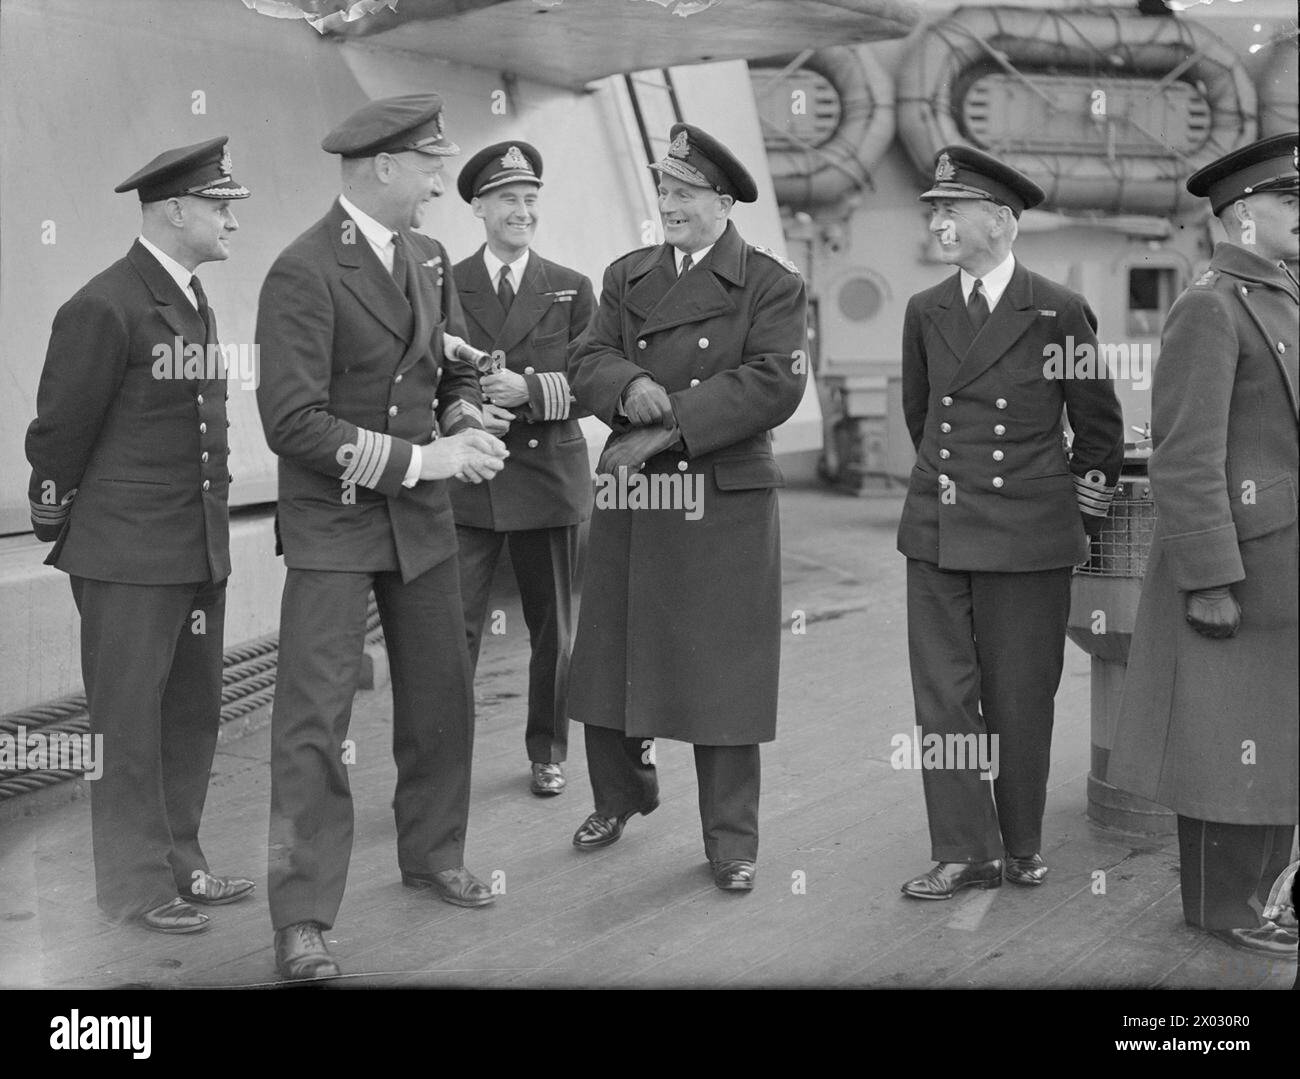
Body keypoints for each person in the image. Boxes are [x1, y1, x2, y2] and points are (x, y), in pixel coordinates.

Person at [254, 93, 509, 980]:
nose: (445, 181)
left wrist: (466, 411)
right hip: (336, 522)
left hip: (420, 524)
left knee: (443, 694)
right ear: (384, 167)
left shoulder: (427, 257)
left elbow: (433, 375)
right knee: (313, 725)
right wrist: (429, 461)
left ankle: (434, 851)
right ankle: (302, 914)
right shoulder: (304, 269)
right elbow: (292, 422)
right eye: (432, 165)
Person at [565, 123, 807, 892]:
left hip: (720, 500)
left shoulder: (770, 284)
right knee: (610, 656)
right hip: (636, 496)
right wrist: (628, 385)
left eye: (683, 192)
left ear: (724, 202)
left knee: (722, 677)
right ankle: (619, 796)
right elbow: (587, 356)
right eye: (663, 189)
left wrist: (670, 425)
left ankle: (731, 840)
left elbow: (777, 382)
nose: (667, 203)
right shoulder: (628, 274)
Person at [25, 137, 254, 934]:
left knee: (190, 716)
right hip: (127, 558)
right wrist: (56, 515)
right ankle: (130, 885)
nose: (232, 219)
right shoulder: (105, 304)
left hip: (193, 552)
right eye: (221, 205)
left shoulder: (189, 298)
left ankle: (180, 863)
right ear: (175, 210)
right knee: (125, 728)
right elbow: (59, 431)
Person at [896, 145, 1124, 900]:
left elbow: (1099, 431)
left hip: (1027, 534)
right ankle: (964, 848)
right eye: (935, 209)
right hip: (938, 530)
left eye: (951, 209)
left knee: (1021, 693)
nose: (940, 221)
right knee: (944, 697)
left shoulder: (1057, 309)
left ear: (998, 220)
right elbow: (920, 413)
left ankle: (1021, 841)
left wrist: (1077, 518)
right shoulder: (925, 309)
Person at [1109, 133, 1298, 958]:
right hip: (1239, 566)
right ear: (1244, 215)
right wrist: (1211, 577)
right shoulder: (1211, 305)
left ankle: (1262, 894)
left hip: (1284, 567)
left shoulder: (1285, 294)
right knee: (1225, 741)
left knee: (1273, 737)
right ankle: (1226, 907)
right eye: (1291, 201)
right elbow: (1185, 456)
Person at [450, 141, 595, 797]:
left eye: (531, 200)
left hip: (547, 477)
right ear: (480, 206)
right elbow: (431, 375)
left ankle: (548, 748)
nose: (522, 211)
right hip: (470, 476)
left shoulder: (570, 286)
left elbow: (596, 382)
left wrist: (529, 390)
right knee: (453, 631)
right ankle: (444, 761)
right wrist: (475, 406)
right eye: (508, 199)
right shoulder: (445, 284)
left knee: (555, 630)